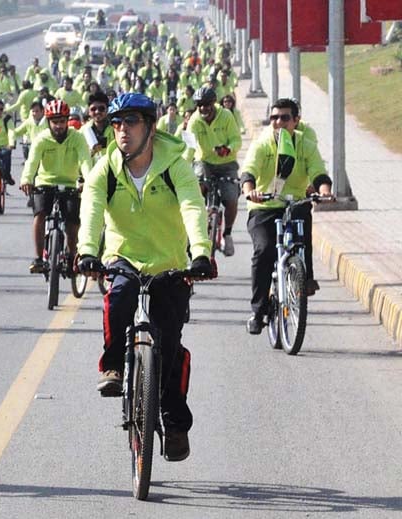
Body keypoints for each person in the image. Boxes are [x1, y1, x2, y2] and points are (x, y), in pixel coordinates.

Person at [76, 93, 214, 462]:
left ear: (151, 128)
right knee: (118, 297)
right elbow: (90, 211)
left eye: (131, 122)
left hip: (169, 264)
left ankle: (175, 423)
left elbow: (192, 207)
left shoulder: (175, 166)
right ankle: (112, 365)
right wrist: (87, 250)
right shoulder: (104, 169)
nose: (122, 130)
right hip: (123, 258)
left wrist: (201, 252)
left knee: (170, 348)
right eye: (117, 123)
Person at [241, 98, 332, 334]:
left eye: (284, 118)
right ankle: (258, 311)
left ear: (296, 121)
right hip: (264, 207)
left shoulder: (305, 144)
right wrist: (251, 192)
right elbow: (249, 171)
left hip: (295, 202)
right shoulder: (263, 144)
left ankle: (305, 278)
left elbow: (318, 171)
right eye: (274, 118)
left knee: (303, 229)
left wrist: (324, 192)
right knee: (265, 249)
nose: (278, 122)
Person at [20, 99, 92, 274]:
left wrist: (89, 181)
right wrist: (26, 180)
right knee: (40, 214)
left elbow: (85, 162)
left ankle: (71, 255)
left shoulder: (78, 138)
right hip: (45, 183)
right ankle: (38, 258)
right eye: (55, 122)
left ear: (67, 120)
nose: (58, 126)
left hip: (70, 184)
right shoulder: (41, 139)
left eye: (61, 121)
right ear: (48, 122)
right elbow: (31, 162)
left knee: (72, 221)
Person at [188, 85, 241, 256]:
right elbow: (189, 148)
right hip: (204, 163)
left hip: (227, 163)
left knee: (231, 198)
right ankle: (194, 231)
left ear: (214, 104)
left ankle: (227, 233)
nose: (204, 108)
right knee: (197, 190)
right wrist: (182, 165)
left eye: (207, 104)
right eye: (200, 105)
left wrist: (228, 149)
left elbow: (236, 140)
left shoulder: (226, 115)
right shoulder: (194, 120)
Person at [81, 91, 114, 161]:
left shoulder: (116, 129)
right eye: (93, 109)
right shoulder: (82, 131)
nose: (97, 112)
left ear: (107, 110)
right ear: (89, 111)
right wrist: (92, 151)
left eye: (101, 108)